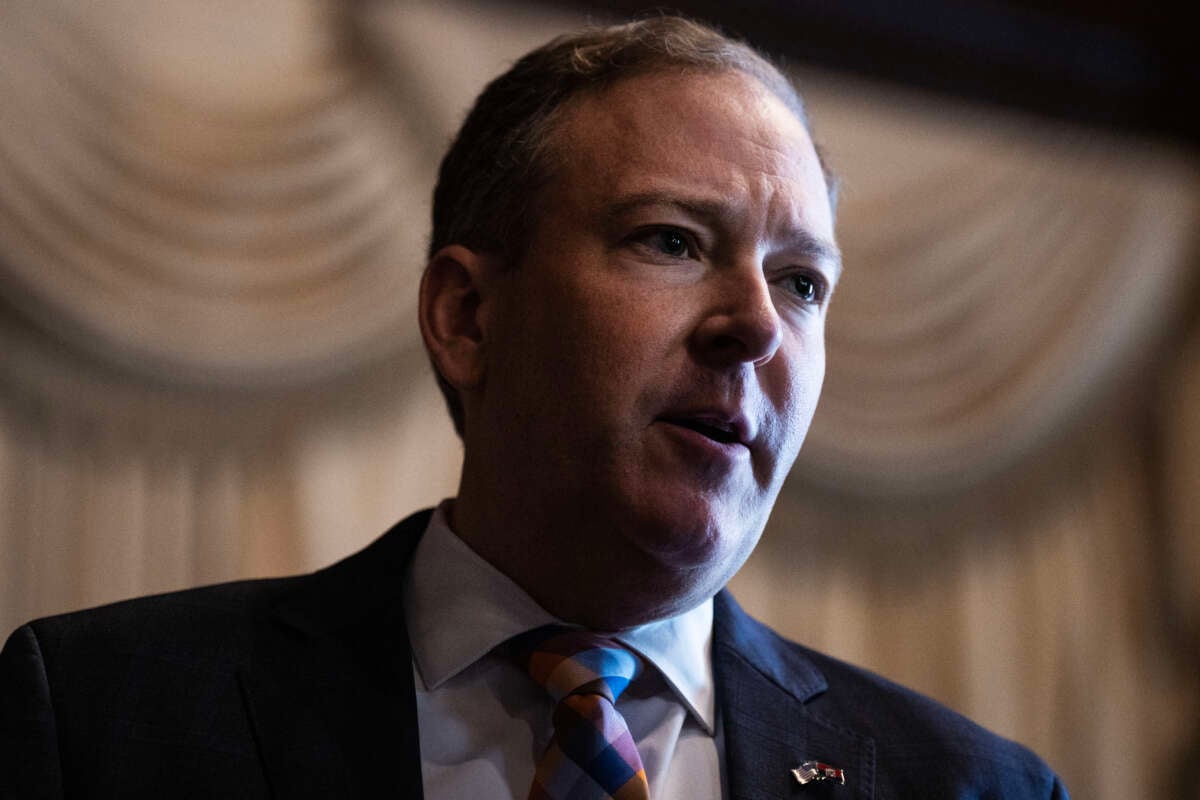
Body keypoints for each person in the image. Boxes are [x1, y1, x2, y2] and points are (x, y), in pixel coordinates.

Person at [0, 15, 1068, 799]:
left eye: (802, 281)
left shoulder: (976, 786)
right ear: (466, 314)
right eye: (672, 240)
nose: (755, 324)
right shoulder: (102, 720)